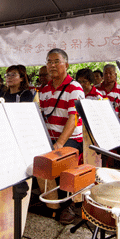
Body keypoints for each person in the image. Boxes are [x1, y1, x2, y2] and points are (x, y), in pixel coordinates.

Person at [39, 48, 85, 224]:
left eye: (56, 61)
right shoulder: (44, 89)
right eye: (49, 62)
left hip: (72, 140)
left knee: (50, 160)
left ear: (66, 64)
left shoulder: (75, 88)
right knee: (36, 159)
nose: (52, 65)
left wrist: (59, 143)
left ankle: (68, 205)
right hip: (50, 138)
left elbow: (73, 119)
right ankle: (53, 207)